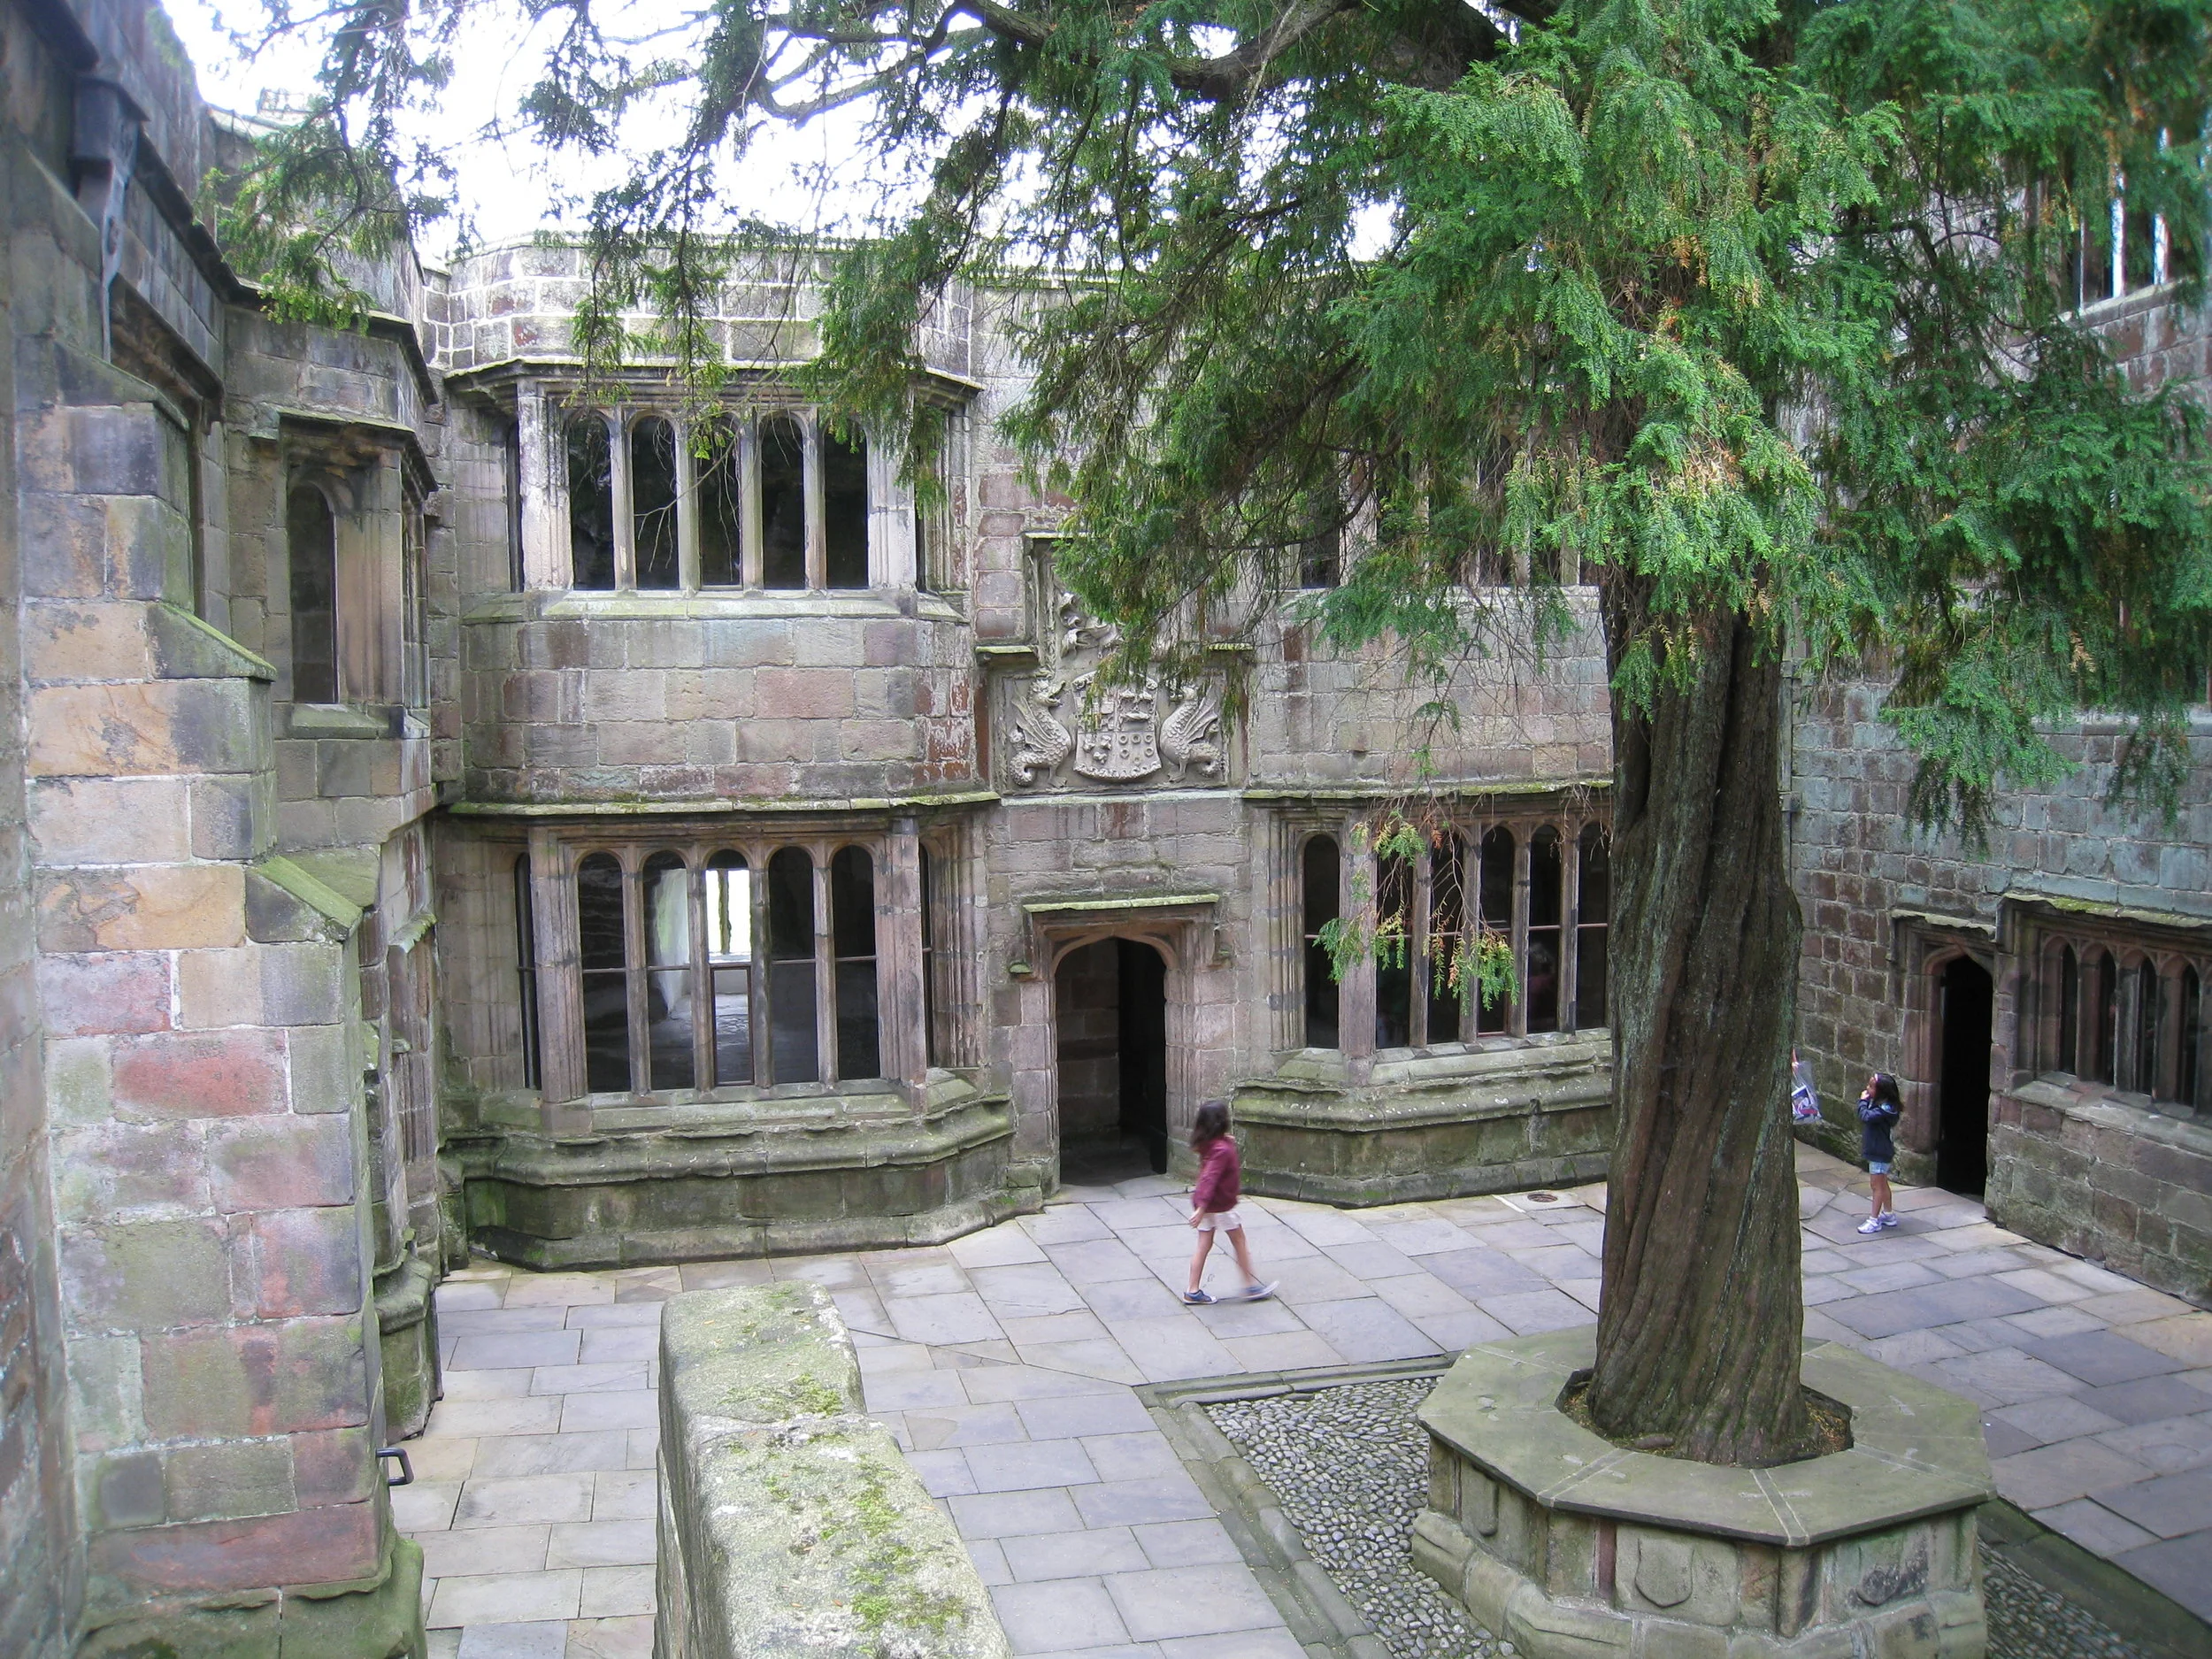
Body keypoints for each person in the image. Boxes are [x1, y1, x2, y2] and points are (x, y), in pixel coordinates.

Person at [1183, 1099, 1275, 1304]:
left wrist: (1201, 1207)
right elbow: (1210, 1179)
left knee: (1203, 1244)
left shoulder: (1209, 1144)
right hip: (1220, 1206)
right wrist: (1202, 1208)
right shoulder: (1221, 1150)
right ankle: (1250, 1286)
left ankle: (1192, 1290)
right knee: (1239, 1240)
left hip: (1209, 1205)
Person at [1856, 1072, 1903, 1234]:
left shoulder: (1881, 1111)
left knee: (1876, 1186)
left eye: (1871, 1086)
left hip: (1879, 1152)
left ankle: (1874, 1220)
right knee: (1882, 1184)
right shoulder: (1883, 1106)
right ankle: (1889, 1214)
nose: (1867, 1089)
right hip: (1881, 1150)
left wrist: (1862, 1101)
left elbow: (1865, 1116)